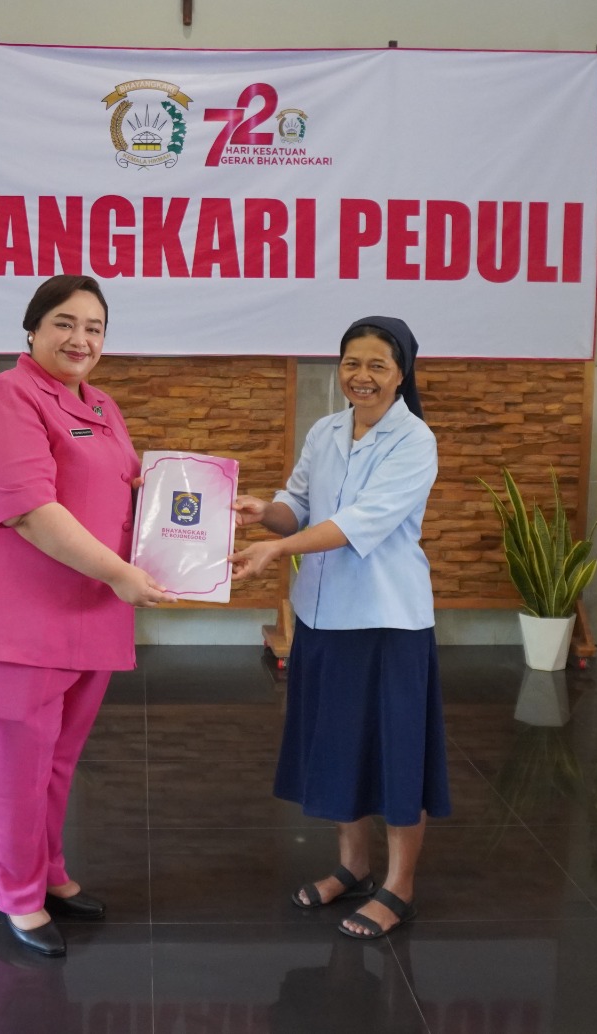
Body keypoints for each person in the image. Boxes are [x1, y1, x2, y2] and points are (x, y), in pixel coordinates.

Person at [0, 275, 172, 957]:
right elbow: (28, 511)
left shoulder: (100, 404)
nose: (80, 339)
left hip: (88, 617)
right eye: (64, 323)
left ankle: (48, 874)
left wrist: (203, 512)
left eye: (94, 327)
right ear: (33, 330)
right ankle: (17, 897)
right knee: (16, 770)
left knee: (56, 763)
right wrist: (122, 574)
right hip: (18, 621)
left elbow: (125, 493)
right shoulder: (6, 397)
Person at [229, 315, 450, 940]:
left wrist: (279, 548)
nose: (361, 376)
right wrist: (263, 513)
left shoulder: (415, 440)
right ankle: (353, 868)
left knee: (396, 753)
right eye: (352, 363)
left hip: (387, 622)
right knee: (338, 745)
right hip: (323, 617)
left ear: (402, 374)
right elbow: (297, 505)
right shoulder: (325, 431)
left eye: (378, 365)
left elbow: (360, 523)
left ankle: (399, 886)